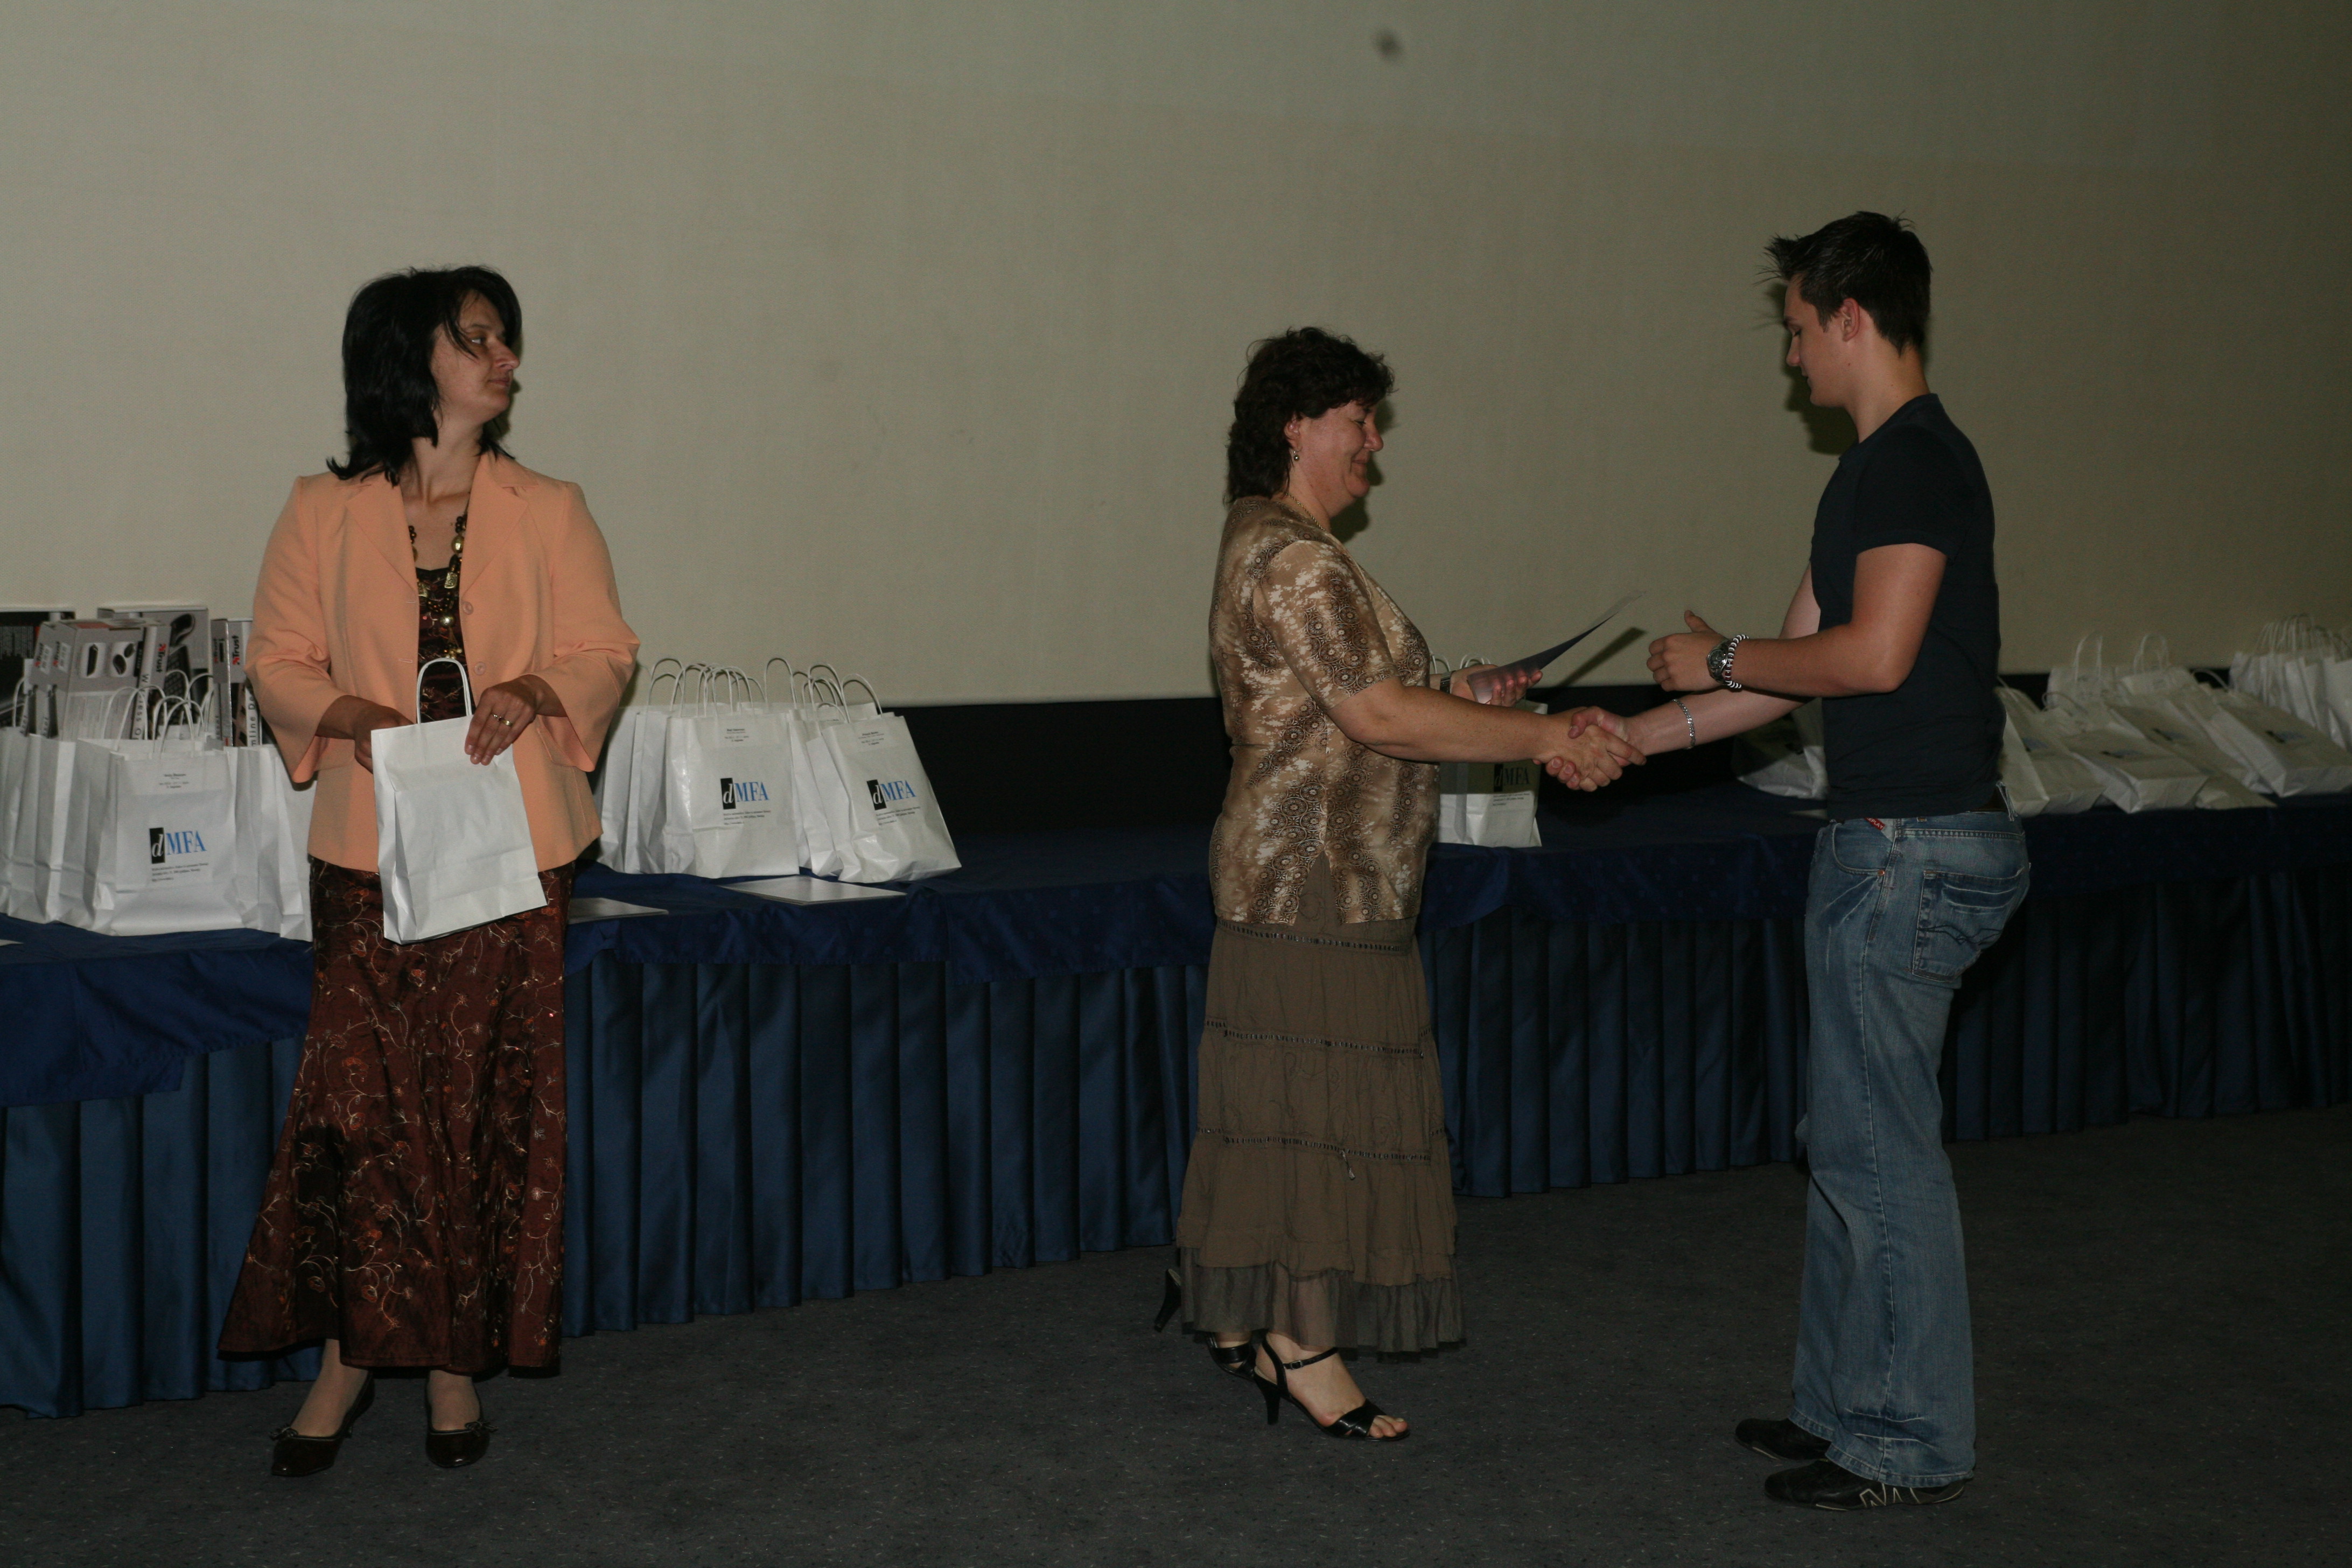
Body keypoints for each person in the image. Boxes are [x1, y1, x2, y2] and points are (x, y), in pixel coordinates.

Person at [1572, 213, 2023, 1507]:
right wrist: (1623, 739)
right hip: (1886, 846)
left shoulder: (1916, 463)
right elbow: (1780, 680)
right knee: (1848, 1141)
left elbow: (1869, 658)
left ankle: (1907, 1442)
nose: (1790, 357)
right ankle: (1842, 1409)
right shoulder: (1871, 472)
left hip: (1911, 851)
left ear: (1851, 318)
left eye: (1797, 329)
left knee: (1882, 1153)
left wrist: (1716, 655)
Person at [1165, 327, 1643, 1441]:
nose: (1375, 441)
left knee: (1286, 1114)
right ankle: (1301, 1345)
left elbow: (1364, 701)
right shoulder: (1297, 559)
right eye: (1358, 420)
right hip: (1313, 885)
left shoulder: (1279, 543)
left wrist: (1467, 694)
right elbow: (1376, 716)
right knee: (1318, 1120)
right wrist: (1545, 734)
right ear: (1296, 426)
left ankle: (1250, 1319)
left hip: (1316, 881)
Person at [219, 267, 639, 1476]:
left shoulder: (550, 507)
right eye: (479, 339)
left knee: (475, 1110)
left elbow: (607, 650)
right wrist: (343, 709)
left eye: (506, 340)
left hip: (512, 857)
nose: (506, 360)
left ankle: (453, 1368)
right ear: (415, 361)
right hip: (368, 856)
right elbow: (278, 657)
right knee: (360, 1113)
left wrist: (540, 688)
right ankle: (349, 1361)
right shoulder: (322, 509)